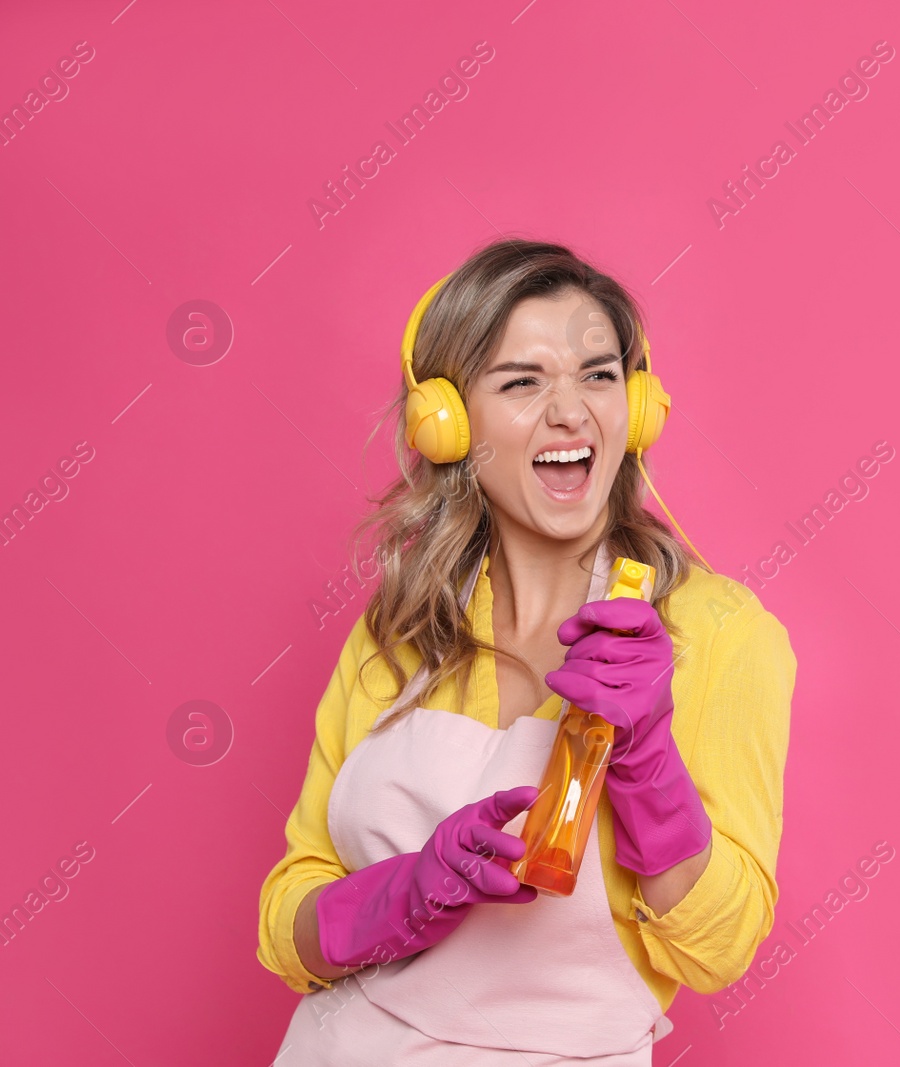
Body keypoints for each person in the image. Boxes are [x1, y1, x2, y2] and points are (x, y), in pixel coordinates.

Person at [255, 238, 797, 1065]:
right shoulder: (400, 623)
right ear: (447, 423)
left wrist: (649, 762)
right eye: (522, 381)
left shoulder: (721, 632)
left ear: (637, 404)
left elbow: (719, 952)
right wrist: (400, 896)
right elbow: (286, 920)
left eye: (597, 373)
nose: (571, 411)